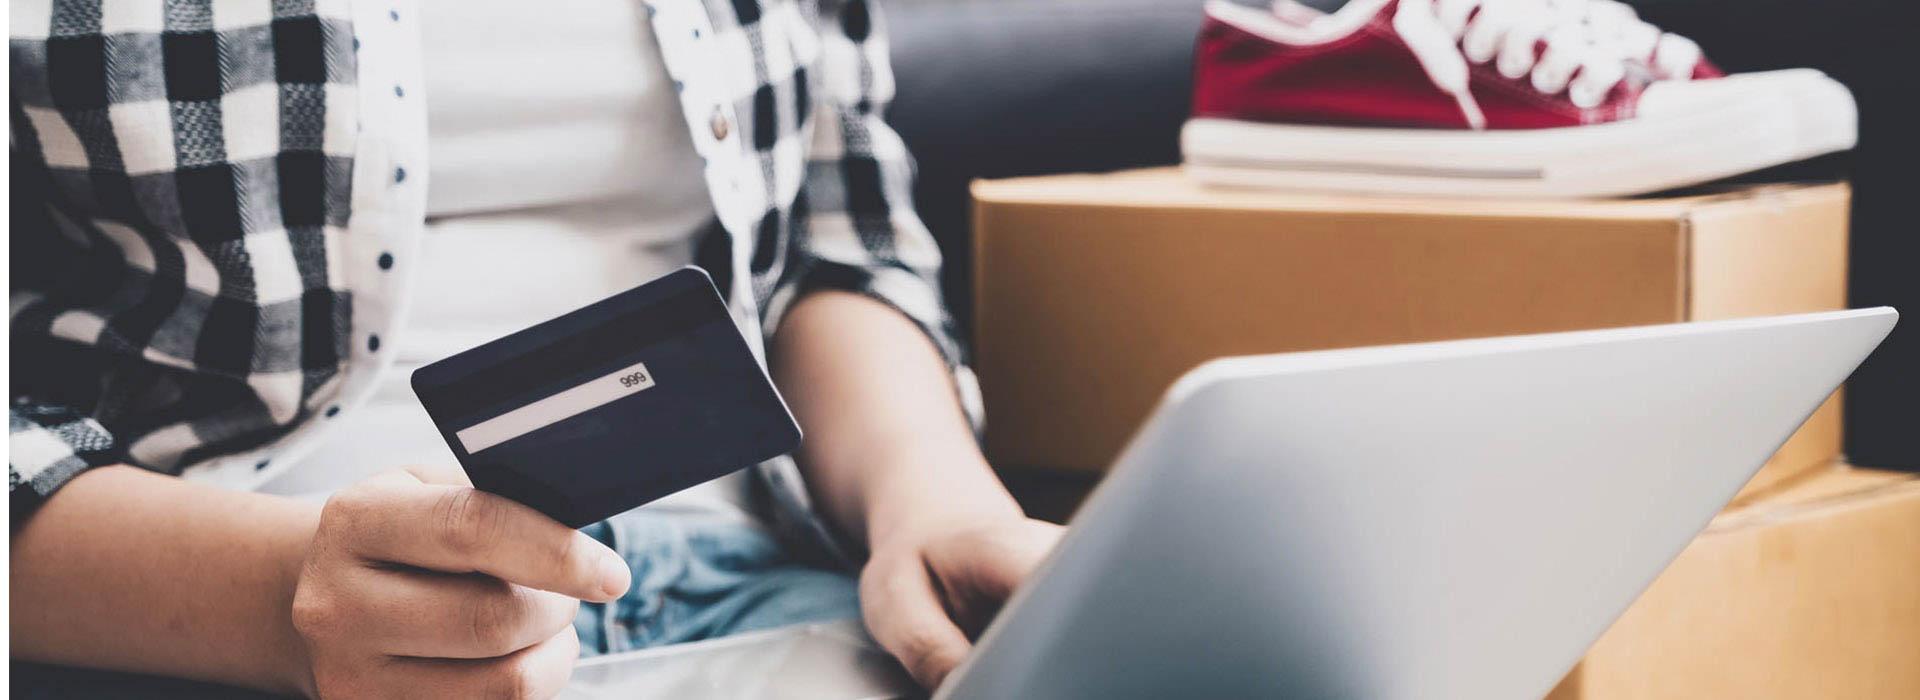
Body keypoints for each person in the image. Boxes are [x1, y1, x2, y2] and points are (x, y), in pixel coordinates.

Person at [9, 0, 1062, 697]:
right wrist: (274, 605)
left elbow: (834, 248)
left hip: (746, 579)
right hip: (203, 618)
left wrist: (937, 508)